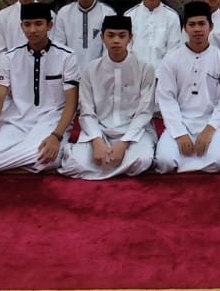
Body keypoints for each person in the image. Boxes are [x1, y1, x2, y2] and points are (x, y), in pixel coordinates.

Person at [0, 2, 80, 174]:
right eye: (27, 24)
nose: (32, 30)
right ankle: (30, 165)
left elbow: (71, 103)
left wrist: (56, 136)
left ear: (49, 25)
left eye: (38, 24)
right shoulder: (9, 58)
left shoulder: (66, 56)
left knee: (47, 155)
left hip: (52, 121)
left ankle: (9, 165)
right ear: (21, 26)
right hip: (17, 121)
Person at [62, 14, 157, 180]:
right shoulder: (90, 69)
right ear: (102, 38)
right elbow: (86, 112)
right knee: (74, 163)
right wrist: (97, 141)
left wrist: (124, 143)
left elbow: (144, 112)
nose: (116, 41)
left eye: (122, 36)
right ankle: (114, 164)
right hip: (100, 129)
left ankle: (106, 166)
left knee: (141, 161)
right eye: (111, 35)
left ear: (130, 38)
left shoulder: (145, 69)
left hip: (134, 131)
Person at [155, 1, 220, 173]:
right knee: (165, 161)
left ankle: (188, 164)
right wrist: (179, 133)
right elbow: (166, 99)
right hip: (180, 121)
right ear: (185, 28)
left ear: (211, 26)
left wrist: (210, 129)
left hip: (210, 122)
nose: (197, 29)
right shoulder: (171, 59)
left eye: (202, 24)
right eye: (192, 25)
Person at [52, 0, 114, 69]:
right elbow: (59, 47)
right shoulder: (64, 13)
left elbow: (108, 50)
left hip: (99, 72)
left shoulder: (108, 14)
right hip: (69, 72)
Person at [127, 0, 181, 69]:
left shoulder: (172, 17)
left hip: (164, 74)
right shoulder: (129, 16)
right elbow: (126, 50)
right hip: (135, 73)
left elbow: (173, 52)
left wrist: (160, 74)